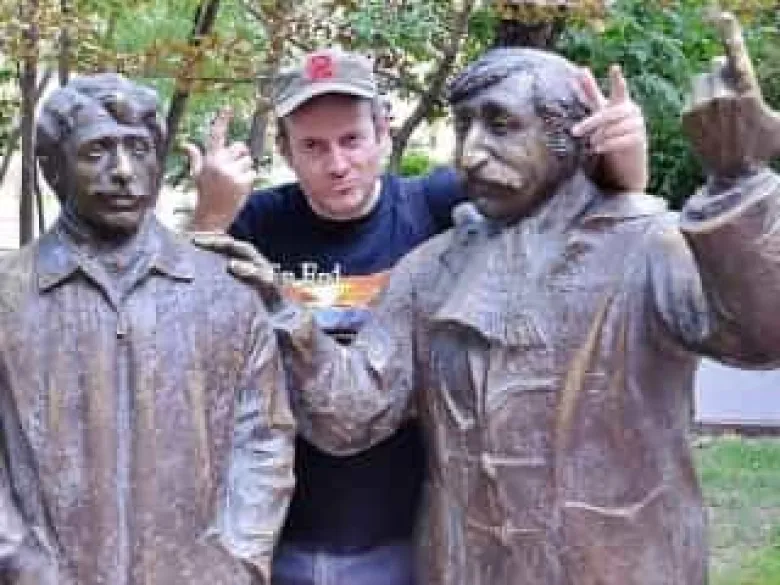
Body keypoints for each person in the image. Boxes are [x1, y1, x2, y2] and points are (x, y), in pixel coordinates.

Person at [196, 13, 780, 585]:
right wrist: (284, 313)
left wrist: (740, 182)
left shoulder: (645, 245)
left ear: (570, 135)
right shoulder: (432, 268)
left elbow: (761, 336)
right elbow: (350, 414)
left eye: (501, 125)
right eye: (464, 127)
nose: (471, 153)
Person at [0, 74, 295, 584]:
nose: (122, 170)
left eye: (138, 149)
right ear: (53, 168)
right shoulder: (8, 296)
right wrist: (20, 562)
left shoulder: (224, 291)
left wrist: (237, 561)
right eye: (96, 151)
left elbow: (264, 439)